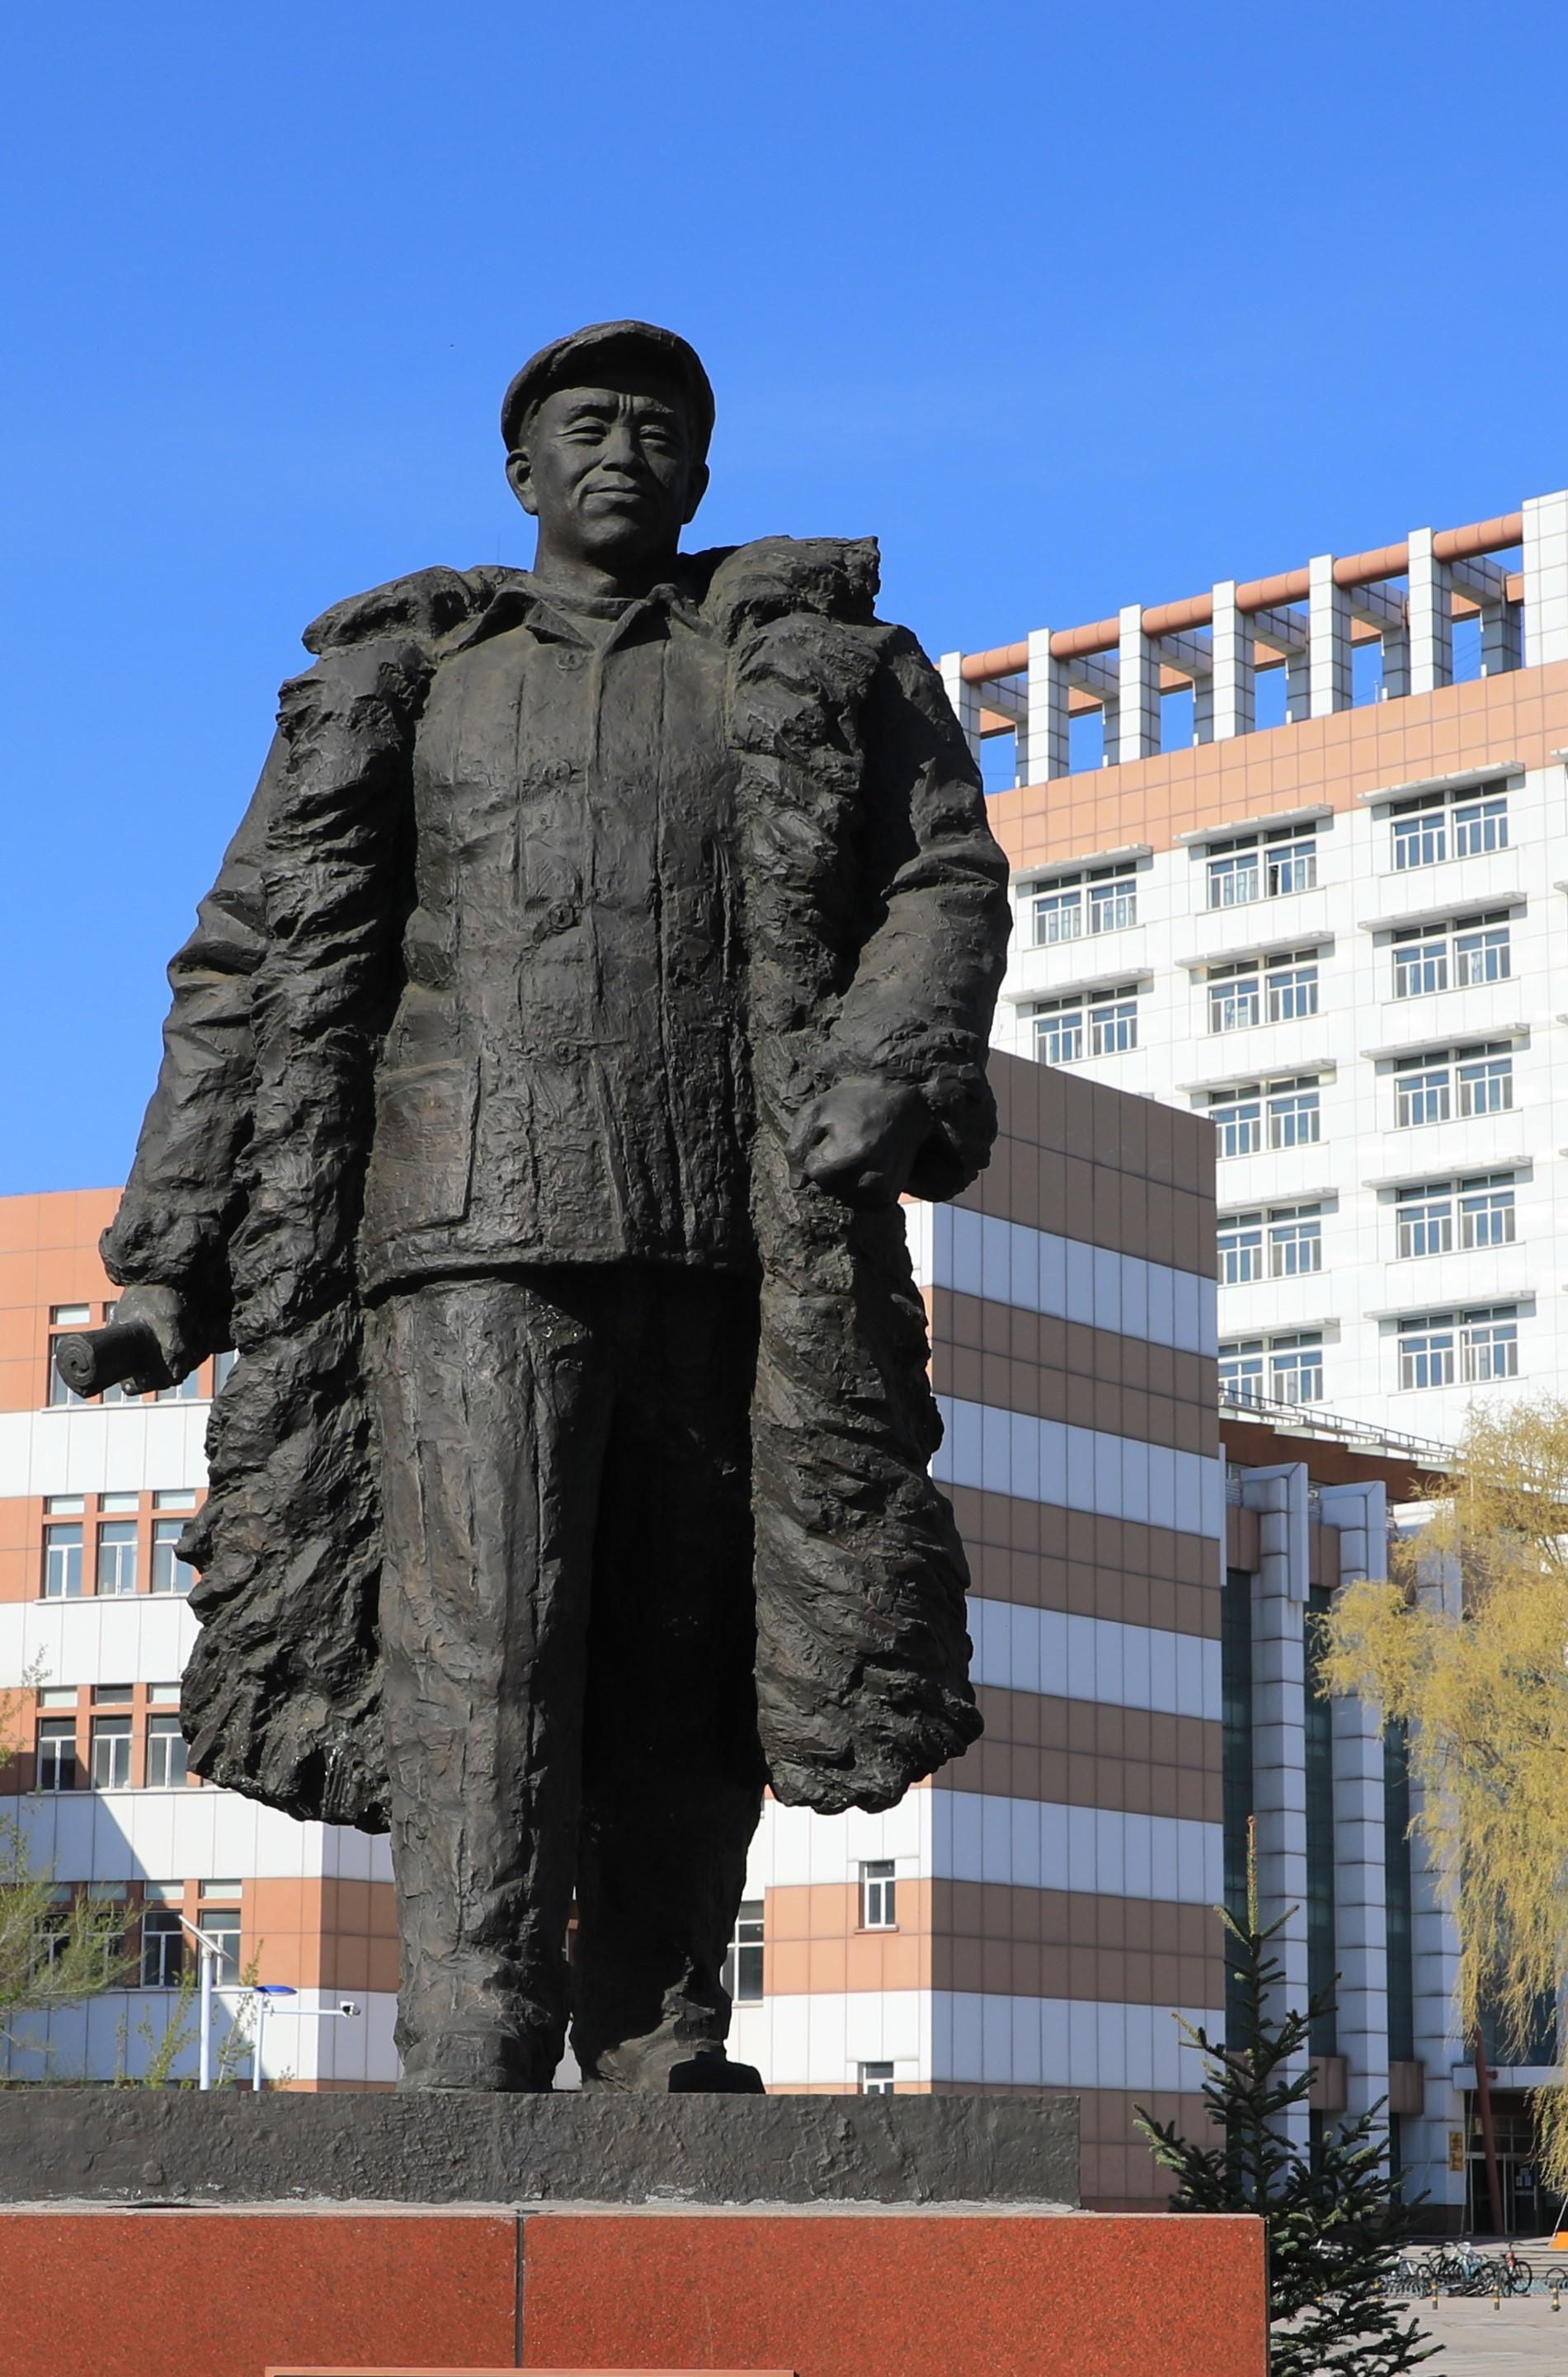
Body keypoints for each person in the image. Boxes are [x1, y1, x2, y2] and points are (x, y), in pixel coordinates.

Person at [54, 321, 1007, 2093]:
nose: (624, 449)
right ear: (521, 473)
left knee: (688, 1643)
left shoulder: (822, 667)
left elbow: (941, 880)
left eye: (661, 426)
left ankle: (659, 2025)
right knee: (482, 1634)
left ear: (704, 471)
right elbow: (247, 961)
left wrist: (891, 1060)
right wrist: (171, 1256)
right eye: (589, 423)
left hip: (731, 1227)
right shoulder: (407, 685)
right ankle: (473, 2028)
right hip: (462, 1229)